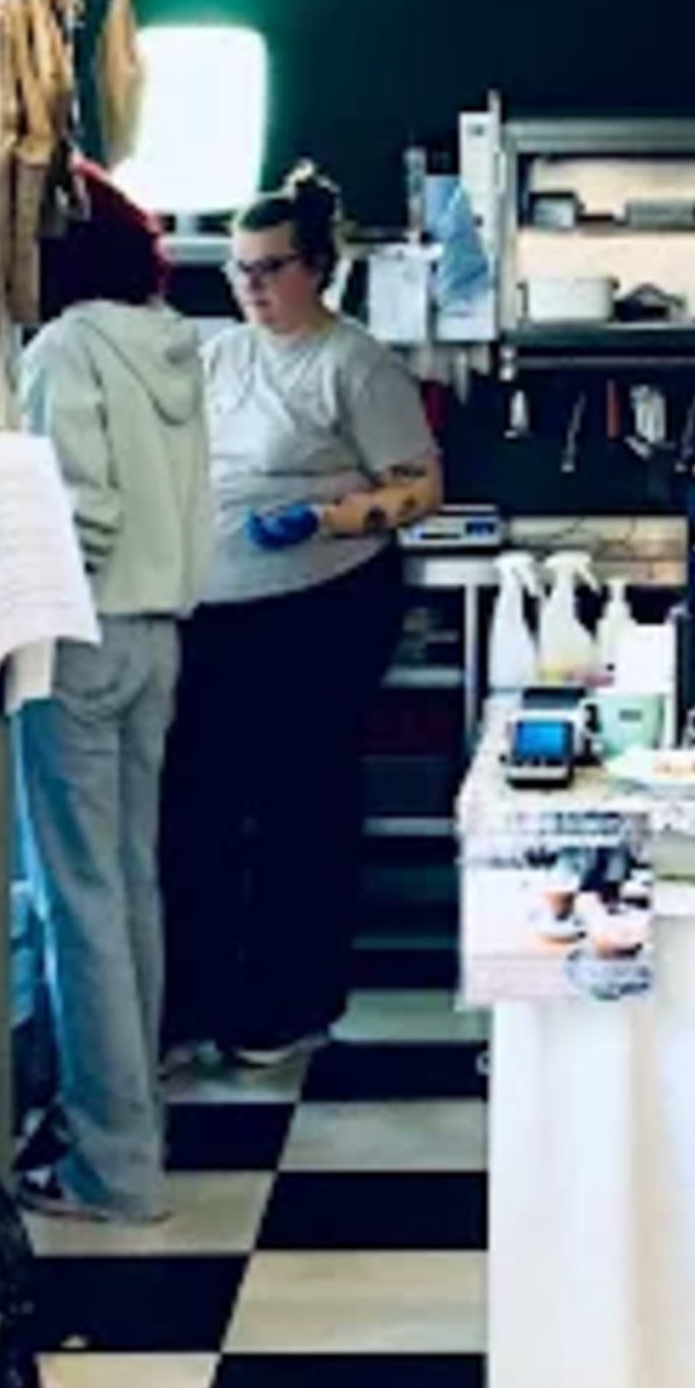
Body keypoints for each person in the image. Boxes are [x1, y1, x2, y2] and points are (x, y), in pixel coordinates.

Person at [163, 164, 441, 1065]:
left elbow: (420, 487)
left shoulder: (354, 365)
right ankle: (196, 1003)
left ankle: (288, 1006)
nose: (251, 284)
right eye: (240, 268)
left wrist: (324, 518)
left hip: (323, 605)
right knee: (199, 808)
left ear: (317, 267)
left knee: (299, 806)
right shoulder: (221, 353)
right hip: (219, 607)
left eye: (271, 267)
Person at [9, 167, 210, 1221]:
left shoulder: (64, 348)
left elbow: (73, 508)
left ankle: (113, 1166)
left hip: (79, 635)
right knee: (128, 888)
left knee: (76, 901)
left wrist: (19, 584)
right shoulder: (173, 342)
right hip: (160, 632)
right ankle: (133, 1131)